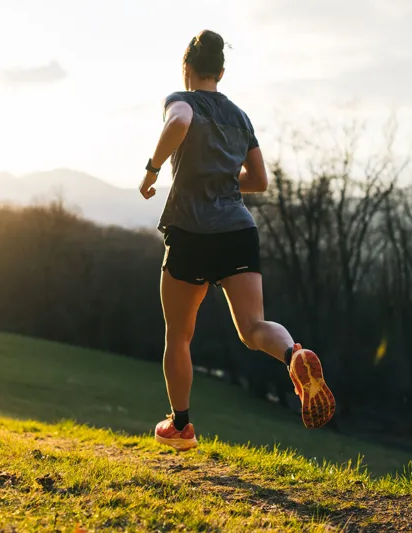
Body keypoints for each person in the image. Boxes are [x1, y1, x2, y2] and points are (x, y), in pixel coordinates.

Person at [139, 30, 336, 451]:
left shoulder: (181, 99)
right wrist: (224, 180)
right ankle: (292, 356)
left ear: (187, 68)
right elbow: (260, 181)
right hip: (237, 229)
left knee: (179, 334)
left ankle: (181, 425)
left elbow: (177, 123)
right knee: (253, 327)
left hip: (191, 230)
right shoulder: (241, 117)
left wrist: (152, 169)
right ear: (222, 73)